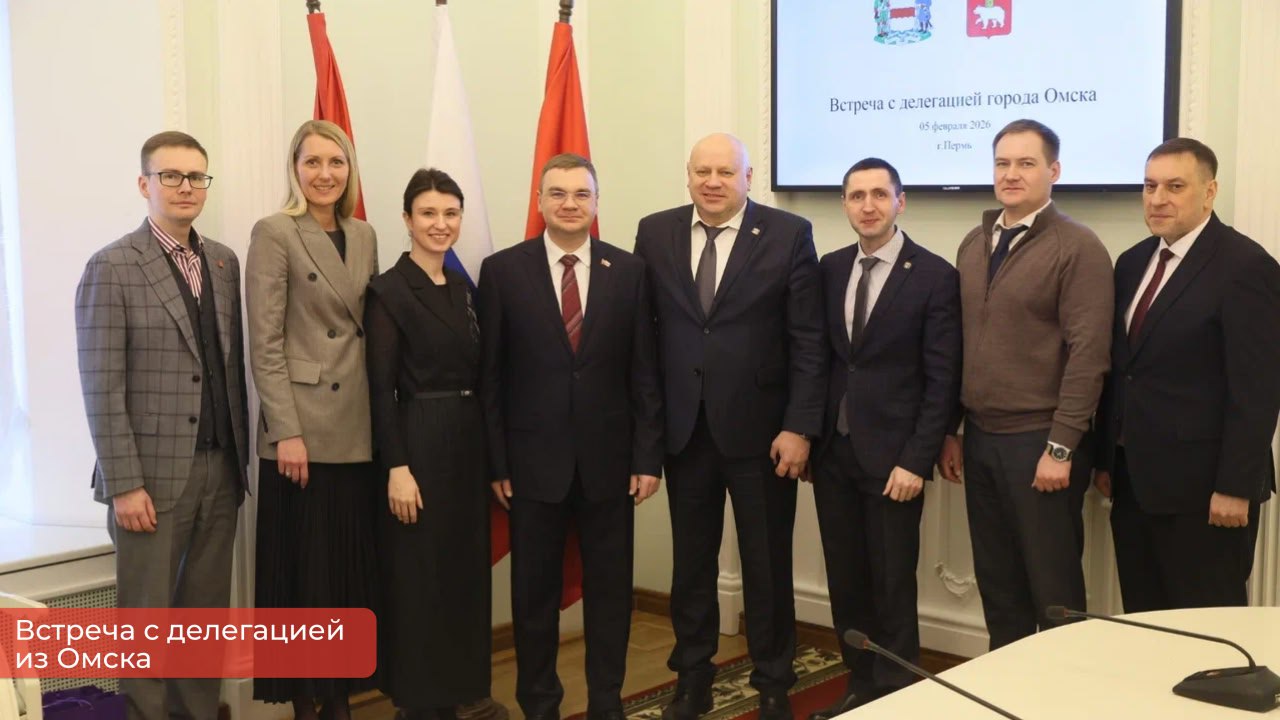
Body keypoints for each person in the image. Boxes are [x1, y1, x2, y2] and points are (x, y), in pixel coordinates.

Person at [633, 133, 824, 719]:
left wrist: (800, 427)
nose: (712, 182)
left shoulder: (788, 234)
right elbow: (644, 340)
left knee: (766, 565)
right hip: (685, 432)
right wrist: (648, 435)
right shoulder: (655, 232)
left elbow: (808, 340)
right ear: (688, 175)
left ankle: (773, 679)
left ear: (748, 177)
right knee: (691, 565)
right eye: (703, 171)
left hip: (763, 435)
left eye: (725, 172)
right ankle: (692, 675)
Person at [478, 154, 663, 720]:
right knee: (533, 598)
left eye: (581, 194)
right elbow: (490, 378)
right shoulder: (502, 271)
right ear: (539, 202)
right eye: (557, 193)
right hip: (531, 467)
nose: (569, 204)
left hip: (611, 466)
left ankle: (607, 701)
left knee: (611, 593)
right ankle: (540, 705)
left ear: (597, 202)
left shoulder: (628, 271)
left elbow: (645, 373)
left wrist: (647, 457)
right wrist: (497, 463)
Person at [75, 131, 249, 720]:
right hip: (148, 479)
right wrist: (124, 484)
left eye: (196, 177)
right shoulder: (112, 266)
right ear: (144, 184)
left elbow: (227, 365)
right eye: (170, 176)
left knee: (204, 617)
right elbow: (101, 384)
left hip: (221, 469)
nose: (185, 187)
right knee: (145, 620)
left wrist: (238, 465)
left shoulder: (222, 262)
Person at [936, 119, 1113, 650]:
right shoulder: (974, 242)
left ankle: (1060, 691)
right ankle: (1005, 689)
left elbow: (1089, 356)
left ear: (1054, 171)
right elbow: (962, 345)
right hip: (981, 439)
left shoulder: (1077, 246)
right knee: (999, 588)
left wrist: (1060, 447)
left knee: (1054, 595)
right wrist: (953, 430)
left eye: (1026, 163)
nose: (1011, 174)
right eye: (1002, 163)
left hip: (1041, 442)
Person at [1094, 138, 1280, 611]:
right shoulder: (1132, 262)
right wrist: (1106, 459)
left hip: (1207, 494)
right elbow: (1125, 371)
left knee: (1207, 627)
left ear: (1209, 192)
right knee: (1148, 621)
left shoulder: (1246, 267)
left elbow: (1258, 390)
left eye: (1175, 187)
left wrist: (1235, 487)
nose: (1158, 199)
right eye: (1149, 186)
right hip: (1135, 485)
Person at [808, 158, 961, 718]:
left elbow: (942, 378)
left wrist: (916, 460)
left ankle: (897, 695)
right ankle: (860, 684)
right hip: (834, 453)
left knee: (892, 582)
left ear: (901, 201)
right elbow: (822, 360)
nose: (867, 206)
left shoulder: (935, 275)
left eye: (879, 194)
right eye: (856, 196)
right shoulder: (829, 268)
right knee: (846, 579)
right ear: (845, 205)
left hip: (896, 459)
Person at [246, 119, 379, 720]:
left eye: (336, 162)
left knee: (345, 573)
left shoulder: (364, 233)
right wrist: (286, 432)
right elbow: (265, 342)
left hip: (355, 426)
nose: (325, 174)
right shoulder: (275, 231)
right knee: (302, 579)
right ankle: (306, 704)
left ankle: (340, 699)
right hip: (300, 433)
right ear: (295, 169)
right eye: (313, 162)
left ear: (350, 170)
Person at [363, 168, 491, 719]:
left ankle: (461, 693)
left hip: (468, 443)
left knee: (463, 573)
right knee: (419, 578)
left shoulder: (464, 287)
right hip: (417, 441)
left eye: (450, 213)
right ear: (407, 219)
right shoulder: (389, 290)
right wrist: (397, 467)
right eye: (428, 213)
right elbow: (380, 388)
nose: (441, 224)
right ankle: (419, 703)